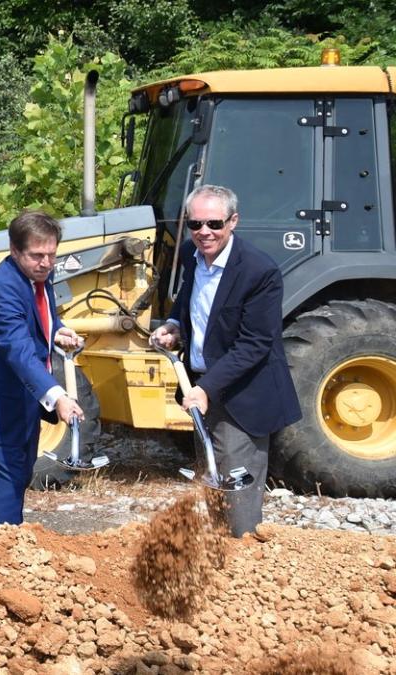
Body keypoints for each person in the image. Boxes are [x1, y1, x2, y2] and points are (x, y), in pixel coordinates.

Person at [151, 184, 300, 537]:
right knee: (210, 479)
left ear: (233, 221)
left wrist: (206, 389)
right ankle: (220, 560)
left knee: (235, 487)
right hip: (204, 386)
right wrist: (175, 325)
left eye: (214, 224)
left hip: (242, 396)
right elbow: (189, 298)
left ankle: (243, 557)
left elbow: (256, 343)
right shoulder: (191, 254)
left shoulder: (258, 272)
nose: (204, 232)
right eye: (196, 224)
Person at [0, 210, 84, 530]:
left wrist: (56, 331)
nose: (46, 262)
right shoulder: (4, 289)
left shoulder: (40, 274)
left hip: (21, 405)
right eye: (37, 255)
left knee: (19, 479)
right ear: (14, 250)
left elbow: (39, 316)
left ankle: (6, 556)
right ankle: (0, 563)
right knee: (4, 499)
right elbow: (18, 350)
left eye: (52, 254)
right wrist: (58, 396)